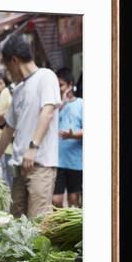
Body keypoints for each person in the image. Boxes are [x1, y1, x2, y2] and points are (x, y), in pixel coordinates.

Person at [0, 34, 60, 219]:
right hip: (19, 167)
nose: (8, 72)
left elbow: (48, 111)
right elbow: (9, 128)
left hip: (40, 166)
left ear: (14, 60)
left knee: (37, 222)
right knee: (17, 221)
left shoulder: (46, 76)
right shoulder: (18, 90)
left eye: (7, 67)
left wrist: (33, 148)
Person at [53, 67, 83, 208]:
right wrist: (62, 103)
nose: (59, 89)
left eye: (61, 85)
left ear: (70, 85)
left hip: (75, 161)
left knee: (73, 199)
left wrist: (72, 135)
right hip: (57, 161)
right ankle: (59, 228)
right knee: (56, 200)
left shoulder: (81, 104)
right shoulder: (55, 106)